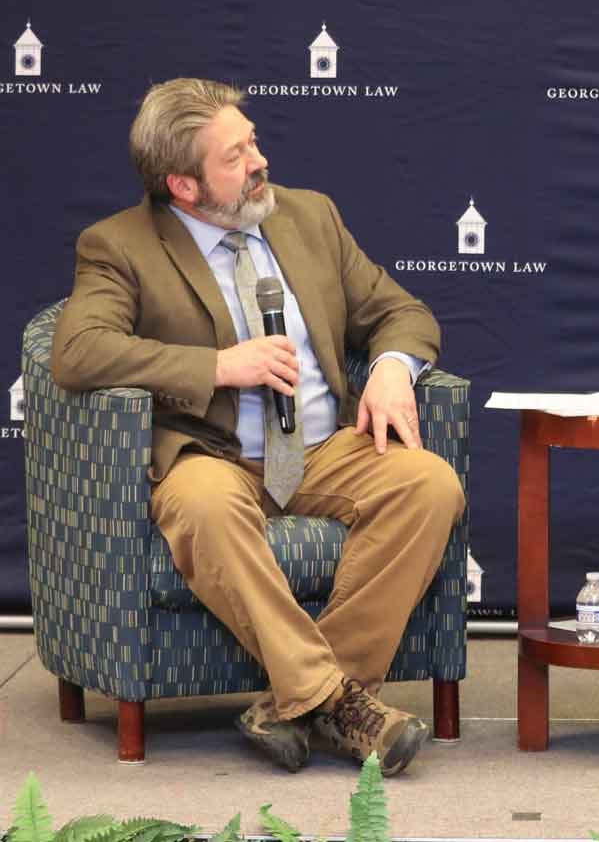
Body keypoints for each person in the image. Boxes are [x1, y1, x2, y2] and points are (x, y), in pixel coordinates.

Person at [51, 77, 466, 777]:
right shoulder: (118, 246)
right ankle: (339, 702)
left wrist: (394, 366)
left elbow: (402, 311)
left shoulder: (309, 216)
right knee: (203, 507)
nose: (259, 161)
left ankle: (296, 700)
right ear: (183, 185)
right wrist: (216, 365)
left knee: (430, 484)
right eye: (235, 156)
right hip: (211, 453)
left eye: (253, 141)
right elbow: (76, 351)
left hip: (323, 446)